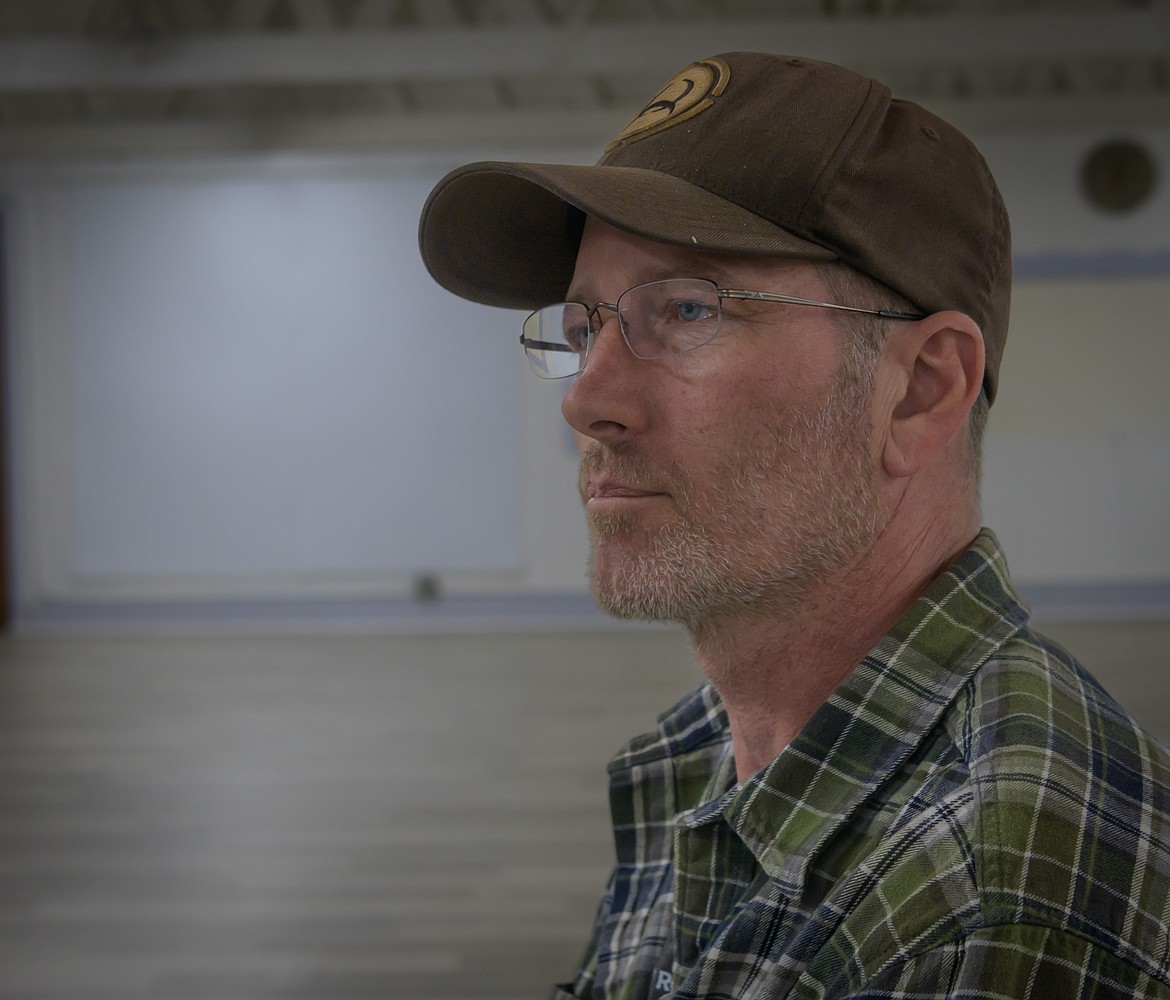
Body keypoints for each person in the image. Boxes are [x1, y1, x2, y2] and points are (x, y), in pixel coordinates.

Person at [418, 52, 1170, 999]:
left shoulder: (988, 909)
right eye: (584, 329)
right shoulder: (712, 748)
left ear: (920, 391)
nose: (586, 403)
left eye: (688, 309)